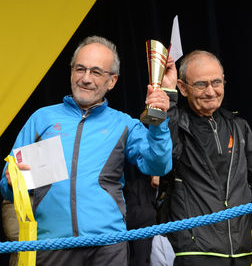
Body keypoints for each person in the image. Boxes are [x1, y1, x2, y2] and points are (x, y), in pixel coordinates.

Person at [0, 35, 172, 266]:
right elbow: (7, 184)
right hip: (51, 244)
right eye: (80, 69)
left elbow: (158, 165)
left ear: (112, 81)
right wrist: (11, 183)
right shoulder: (41, 119)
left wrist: (159, 124)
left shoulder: (124, 124)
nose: (86, 78)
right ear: (71, 72)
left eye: (96, 72)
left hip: (107, 246)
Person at [159, 50, 252, 266]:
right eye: (201, 84)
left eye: (216, 82)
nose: (211, 91)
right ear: (182, 88)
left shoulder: (239, 126)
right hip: (197, 251)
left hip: (248, 248)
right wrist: (168, 93)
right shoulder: (177, 125)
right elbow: (164, 156)